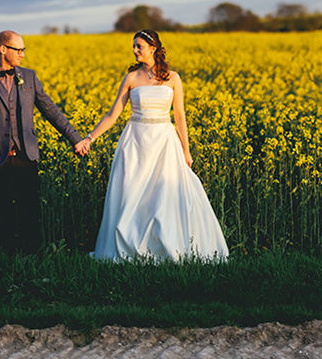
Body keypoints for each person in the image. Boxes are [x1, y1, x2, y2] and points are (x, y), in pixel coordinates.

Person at [82, 30, 229, 261]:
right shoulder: (131, 78)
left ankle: (164, 249)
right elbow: (113, 115)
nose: (135, 50)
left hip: (164, 142)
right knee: (133, 195)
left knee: (163, 196)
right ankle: (130, 248)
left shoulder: (173, 78)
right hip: (136, 143)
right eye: (134, 46)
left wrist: (186, 151)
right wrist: (90, 138)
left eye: (139, 46)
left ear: (153, 48)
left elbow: (179, 117)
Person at [0, 30, 89, 253]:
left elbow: (51, 111)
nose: (23, 54)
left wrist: (75, 138)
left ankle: (34, 262)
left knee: (30, 214)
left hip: (26, 156)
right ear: (2, 49)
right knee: (0, 215)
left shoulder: (29, 77)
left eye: (23, 50)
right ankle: (6, 264)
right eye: (19, 49)